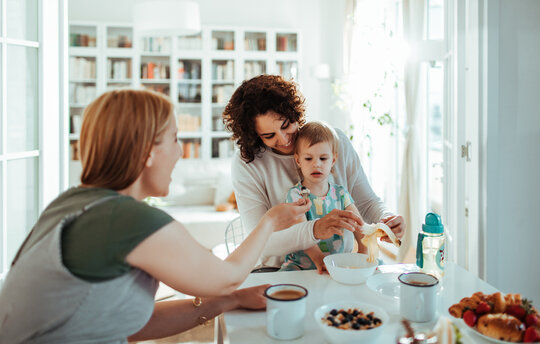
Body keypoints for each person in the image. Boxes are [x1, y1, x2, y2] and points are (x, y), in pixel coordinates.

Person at [0, 89, 310, 343]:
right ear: (148, 151)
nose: (179, 153)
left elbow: (127, 325)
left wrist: (230, 302)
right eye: (175, 139)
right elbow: (227, 278)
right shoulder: (125, 219)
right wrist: (270, 221)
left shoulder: (71, 203)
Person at [222, 74, 405, 268]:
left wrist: (386, 219)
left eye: (286, 125)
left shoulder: (334, 142)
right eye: (269, 135)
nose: (284, 140)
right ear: (254, 136)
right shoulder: (247, 164)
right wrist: (315, 229)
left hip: (337, 265)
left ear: (294, 113)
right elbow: (258, 242)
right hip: (277, 271)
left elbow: (366, 202)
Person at [280, 121, 367, 274]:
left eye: (323, 158)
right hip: (299, 267)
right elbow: (302, 234)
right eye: (308, 159)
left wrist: (363, 250)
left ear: (333, 160)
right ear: (298, 160)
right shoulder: (295, 195)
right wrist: (320, 261)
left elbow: (358, 224)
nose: (316, 164)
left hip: (335, 266)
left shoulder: (341, 193)